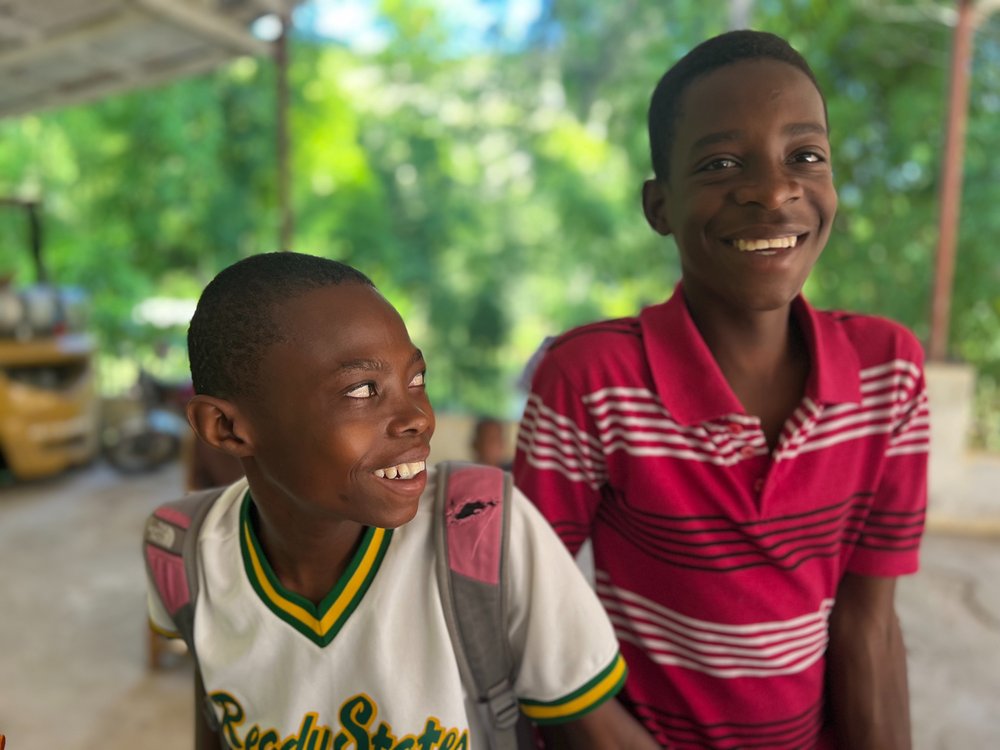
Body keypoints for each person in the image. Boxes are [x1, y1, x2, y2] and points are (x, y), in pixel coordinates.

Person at [513, 30, 929, 750]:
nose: (773, 190)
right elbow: (525, 609)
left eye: (805, 156)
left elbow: (868, 625)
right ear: (660, 206)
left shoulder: (888, 372)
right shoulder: (591, 380)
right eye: (720, 163)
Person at [146, 251, 658, 750]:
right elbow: (214, 710)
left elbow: (597, 734)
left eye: (415, 378)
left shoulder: (481, 529)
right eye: (363, 389)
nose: (418, 416)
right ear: (227, 428)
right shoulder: (183, 554)